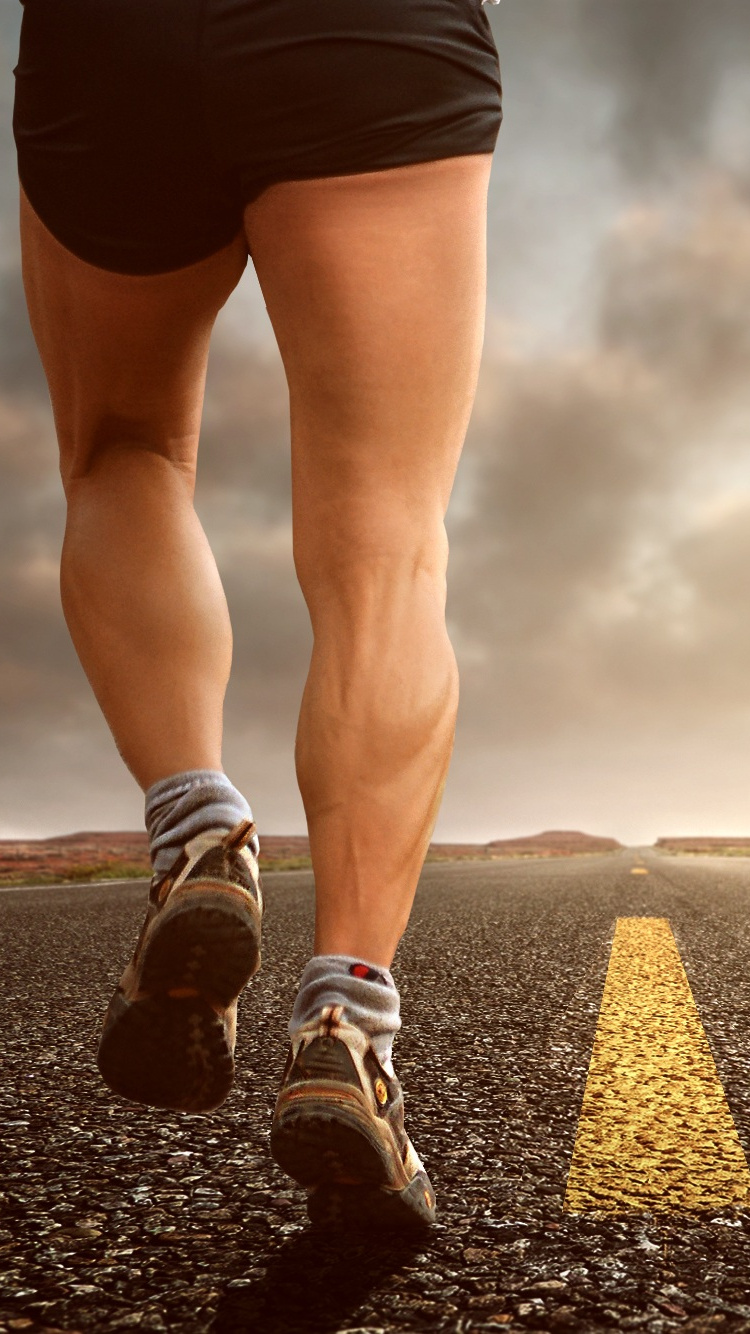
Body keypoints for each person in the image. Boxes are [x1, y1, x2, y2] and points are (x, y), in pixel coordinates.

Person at [12, 0, 502, 1230]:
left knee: (123, 451)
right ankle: (347, 1021)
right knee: (388, 548)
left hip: (108, 40)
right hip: (372, 40)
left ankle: (199, 823)